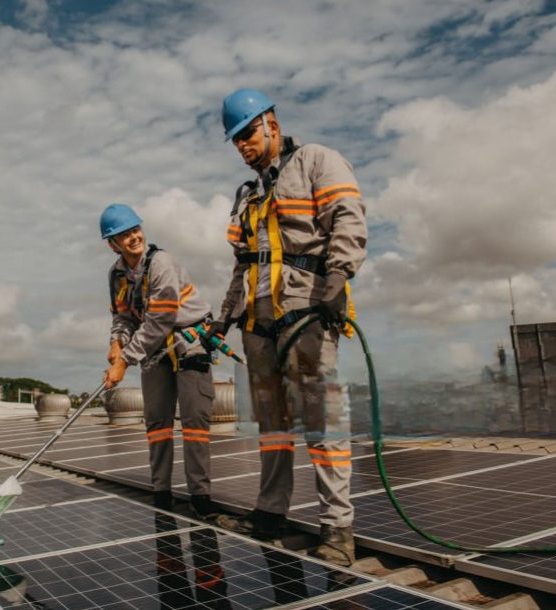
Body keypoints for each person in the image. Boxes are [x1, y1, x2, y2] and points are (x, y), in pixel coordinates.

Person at [204, 89, 367, 566]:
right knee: (272, 428)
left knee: (323, 422)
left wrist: (337, 278)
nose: (243, 145)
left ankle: (338, 528)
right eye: (235, 140)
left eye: (248, 133)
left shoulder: (317, 161)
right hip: (258, 326)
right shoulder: (248, 195)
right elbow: (243, 265)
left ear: (271, 123)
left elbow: (348, 220)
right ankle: (271, 513)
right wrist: (223, 318)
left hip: (306, 312)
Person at [100, 203, 220, 520]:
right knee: (157, 424)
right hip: (152, 350)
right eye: (123, 235)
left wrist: (124, 360)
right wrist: (116, 342)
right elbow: (123, 317)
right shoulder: (116, 275)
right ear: (112, 244)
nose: (132, 237)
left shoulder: (162, 263)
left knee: (194, 422)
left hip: (188, 341)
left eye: (134, 230)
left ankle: (200, 496)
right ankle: (162, 492)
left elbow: (161, 320)